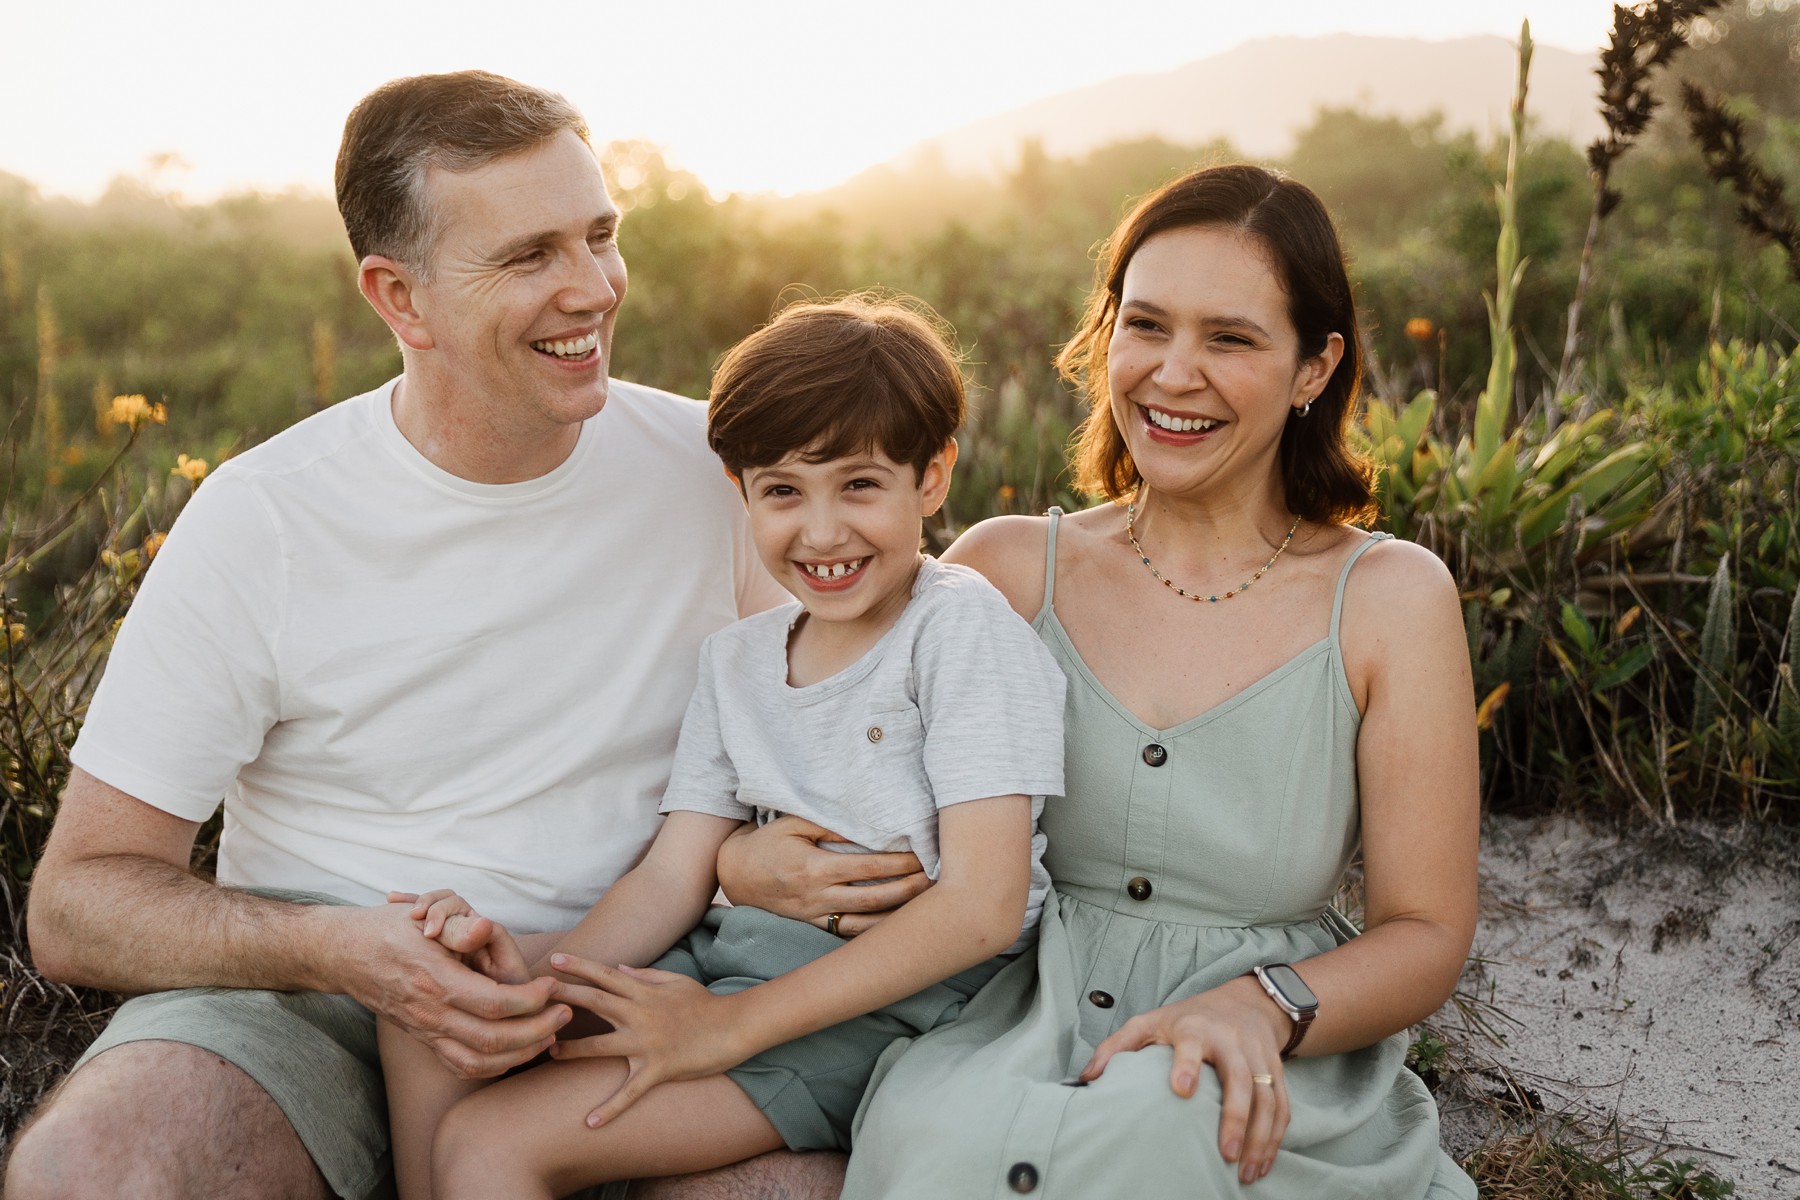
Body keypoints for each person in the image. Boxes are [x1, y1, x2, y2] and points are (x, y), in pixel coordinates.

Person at [4, 71, 887, 1200]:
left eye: (600, 237)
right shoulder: (264, 516)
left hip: (638, 985)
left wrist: (743, 871)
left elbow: (830, 743)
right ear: (399, 298)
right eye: (528, 257)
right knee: (103, 1169)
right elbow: (76, 903)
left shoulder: (723, 478)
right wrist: (340, 953)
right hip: (311, 1004)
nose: (592, 289)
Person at [720, 164, 1481, 1197]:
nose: (1174, 374)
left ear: (1315, 367)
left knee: (1161, 1139)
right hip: (996, 1022)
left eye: (1232, 338)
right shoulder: (1002, 571)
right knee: (938, 1145)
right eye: (1148, 325)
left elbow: (1426, 934)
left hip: (1262, 1051)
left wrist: (1261, 1005)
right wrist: (742, 864)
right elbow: (810, 744)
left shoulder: (1391, 598)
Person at [379, 296, 1069, 1199]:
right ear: (740, 490)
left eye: (859, 485)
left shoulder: (958, 627)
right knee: (432, 1012)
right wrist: (547, 974)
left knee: (493, 1142)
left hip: (888, 1011)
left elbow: (984, 904)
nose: (821, 532)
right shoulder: (738, 659)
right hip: (727, 961)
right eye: (782, 491)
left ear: (932, 478)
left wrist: (731, 1026)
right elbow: (673, 877)